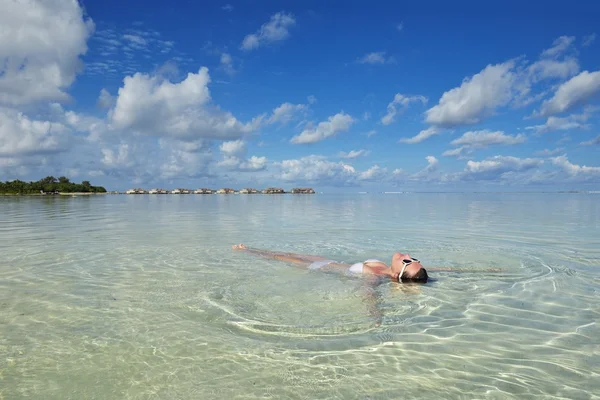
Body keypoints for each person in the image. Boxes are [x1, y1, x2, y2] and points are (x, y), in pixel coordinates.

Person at [232, 244, 429, 283]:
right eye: (414, 259)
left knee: (278, 257)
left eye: (407, 260)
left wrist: (375, 317)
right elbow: (435, 270)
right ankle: (250, 248)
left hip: (318, 268)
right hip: (329, 262)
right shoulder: (387, 269)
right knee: (287, 252)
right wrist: (458, 271)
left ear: (397, 274)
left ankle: (247, 250)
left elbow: (369, 296)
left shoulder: (374, 276)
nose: (409, 255)